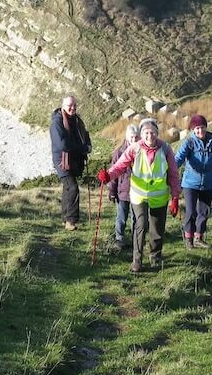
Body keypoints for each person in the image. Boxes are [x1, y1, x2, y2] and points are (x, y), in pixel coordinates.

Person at [98, 118, 181, 272]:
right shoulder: (134, 148)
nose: (150, 136)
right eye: (146, 133)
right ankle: (137, 260)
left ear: (157, 133)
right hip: (138, 195)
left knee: (157, 228)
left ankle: (155, 257)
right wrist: (108, 175)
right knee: (141, 225)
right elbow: (120, 165)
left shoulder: (166, 149)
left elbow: (174, 175)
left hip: (159, 196)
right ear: (142, 134)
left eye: (153, 132)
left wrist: (175, 197)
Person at [175, 114, 212, 249]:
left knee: (204, 211)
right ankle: (188, 238)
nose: (200, 131)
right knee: (190, 212)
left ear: (206, 127)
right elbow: (178, 158)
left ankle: (198, 237)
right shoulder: (189, 142)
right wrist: (170, 172)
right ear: (193, 130)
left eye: (202, 128)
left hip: (208, 183)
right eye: (197, 129)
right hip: (190, 182)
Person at [51, 95, 92, 231]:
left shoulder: (76, 120)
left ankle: (65, 218)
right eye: (69, 105)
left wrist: (88, 146)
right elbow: (62, 144)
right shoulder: (57, 122)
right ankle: (71, 220)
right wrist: (82, 149)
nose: (72, 108)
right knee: (73, 187)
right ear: (63, 106)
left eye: (74, 105)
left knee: (68, 188)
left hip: (73, 160)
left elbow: (84, 135)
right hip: (62, 160)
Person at [108, 125, 139, 252]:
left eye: (136, 137)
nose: (134, 139)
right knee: (121, 217)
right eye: (132, 137)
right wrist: (112, 191)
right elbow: (113, 173)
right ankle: (119, 239)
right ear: (127, 137)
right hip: (123, 192)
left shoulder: (142, 151)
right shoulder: (119, 152)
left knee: (136, 218)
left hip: (138, 193)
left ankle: (136, 240)